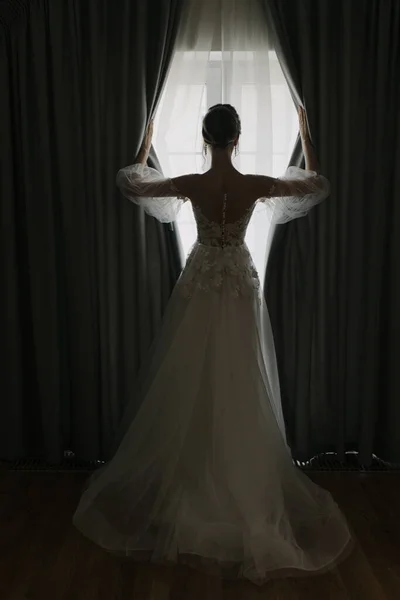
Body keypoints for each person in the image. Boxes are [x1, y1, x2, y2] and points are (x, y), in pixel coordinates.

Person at [73, 105, 353, 585]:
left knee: (193, 378)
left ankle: (195, 477)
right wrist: (307, 135)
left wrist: (144, 141)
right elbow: (316, 183)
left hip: (202, 281)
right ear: (237, 137)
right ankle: (237, 481)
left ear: (206, 140)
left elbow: (133, 184)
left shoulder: (190, 183)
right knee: (239, 378)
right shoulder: (255, 184)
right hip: (238, 286)